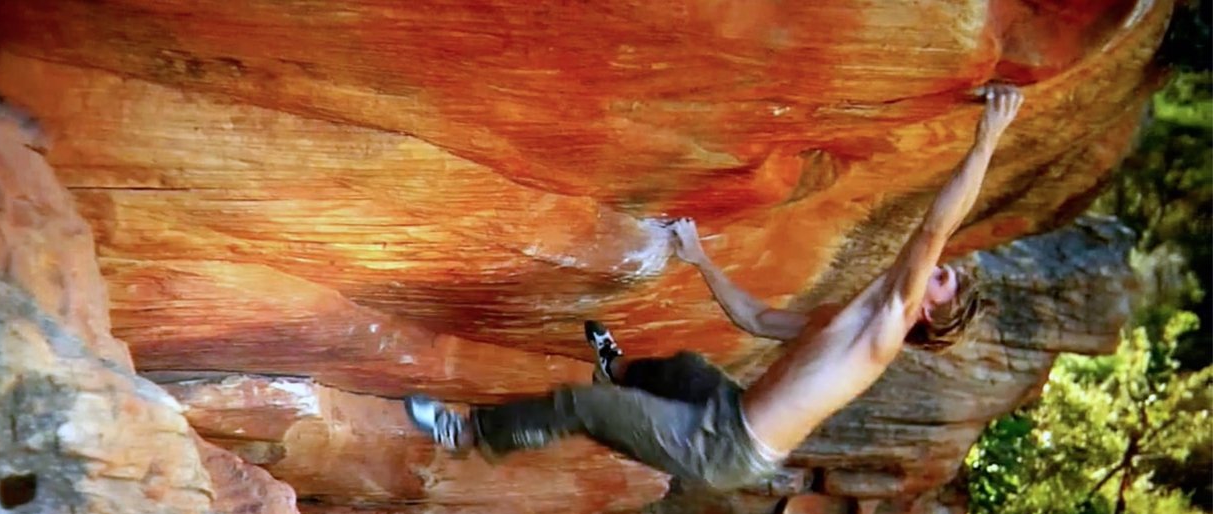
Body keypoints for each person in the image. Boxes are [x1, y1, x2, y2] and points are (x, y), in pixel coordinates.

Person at [404, 85, 1023, 491]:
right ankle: (615, 370)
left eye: (941, 277)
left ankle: (470, 435)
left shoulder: (883, 334)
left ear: (927, 311)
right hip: (724, 407)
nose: (938, 265)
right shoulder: (843, 319)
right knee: (685, 369)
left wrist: (989, 136)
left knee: (577, 409)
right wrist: (699, 257)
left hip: (724, 448)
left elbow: (935, 226)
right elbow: (755, 318)